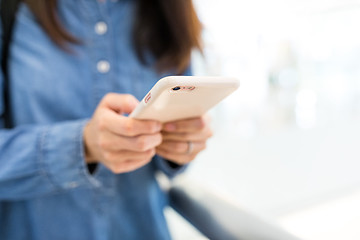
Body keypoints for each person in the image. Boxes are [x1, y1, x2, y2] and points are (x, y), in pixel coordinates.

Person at [0, 0, 212, 239]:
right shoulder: (14, 11)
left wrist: (182, 145)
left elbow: (174, 164)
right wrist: (81, 146)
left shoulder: (168, 12)